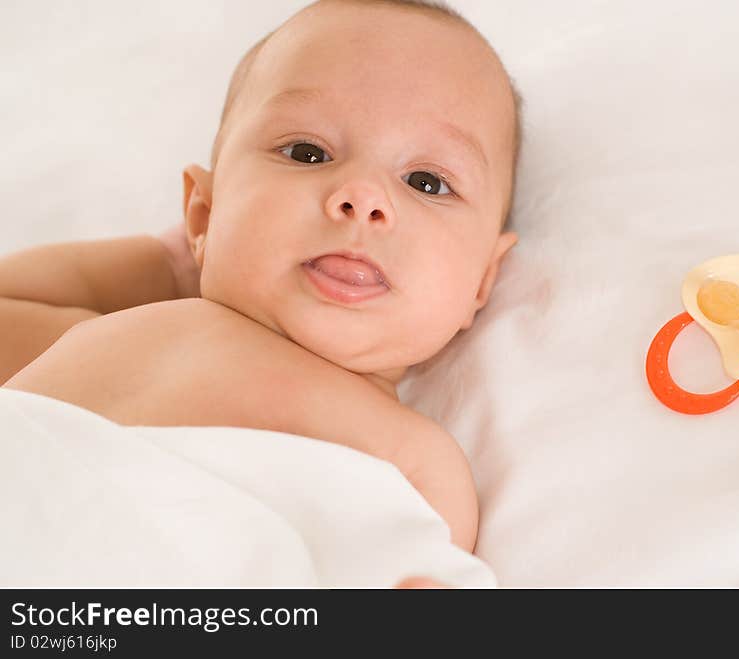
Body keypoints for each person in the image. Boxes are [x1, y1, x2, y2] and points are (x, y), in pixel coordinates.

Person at [0, 0, 522, 561]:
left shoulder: (417, 461)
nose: (363, 198)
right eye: (308, 152)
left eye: (426, 181)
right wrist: (170, 263)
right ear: (202, 213)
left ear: (480, 282)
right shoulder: (141, 327)